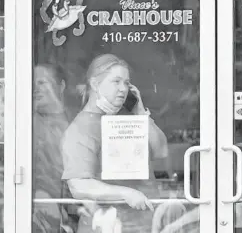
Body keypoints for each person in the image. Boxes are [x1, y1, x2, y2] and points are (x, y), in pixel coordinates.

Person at [61, 54, 169, 232]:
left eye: (126, 83)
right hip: (108, 226)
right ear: (95, 84)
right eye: (116, 81)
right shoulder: (80, 128)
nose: (123, 89)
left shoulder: (127, 117)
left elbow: (161, 150)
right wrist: (125, 193)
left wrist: (141, 113)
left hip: (145, 223)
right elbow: (79, 185)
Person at [32, 63, 73, 232]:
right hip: (41, 204)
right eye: (32, 82)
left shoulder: (76, 118)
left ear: (61, 86)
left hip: (76, 203)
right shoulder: (28, 124)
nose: (35, 88)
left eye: (42, 82)